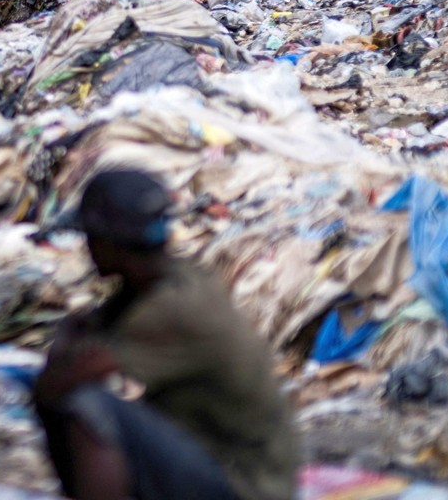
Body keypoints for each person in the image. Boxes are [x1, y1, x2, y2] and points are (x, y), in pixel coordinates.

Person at [34, 169, 297, 500]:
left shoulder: (169, 310)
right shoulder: (177, 279)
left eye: (91, 239)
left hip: (245, 486)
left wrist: (66, 340)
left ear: (108, 244)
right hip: (241, 468)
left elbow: (56, 384)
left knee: (86, 405)